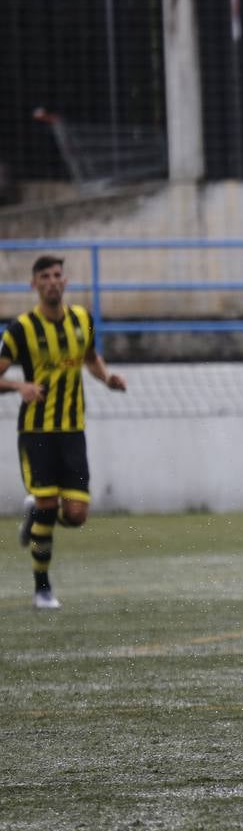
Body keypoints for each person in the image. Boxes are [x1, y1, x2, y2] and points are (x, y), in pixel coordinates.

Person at [1, 255, 127, 609]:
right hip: (37, 430)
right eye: (45, 276)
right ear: (34, 285)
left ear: (65, 280)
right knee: (46, 501)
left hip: (73, 431)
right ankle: (42, 589)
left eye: (58, 275)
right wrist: (18, 387)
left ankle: (37, 517)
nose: (53, 281)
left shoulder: (82, 319)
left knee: (75, 515)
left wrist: (108, 379)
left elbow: (90, 358)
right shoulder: (20, 329)